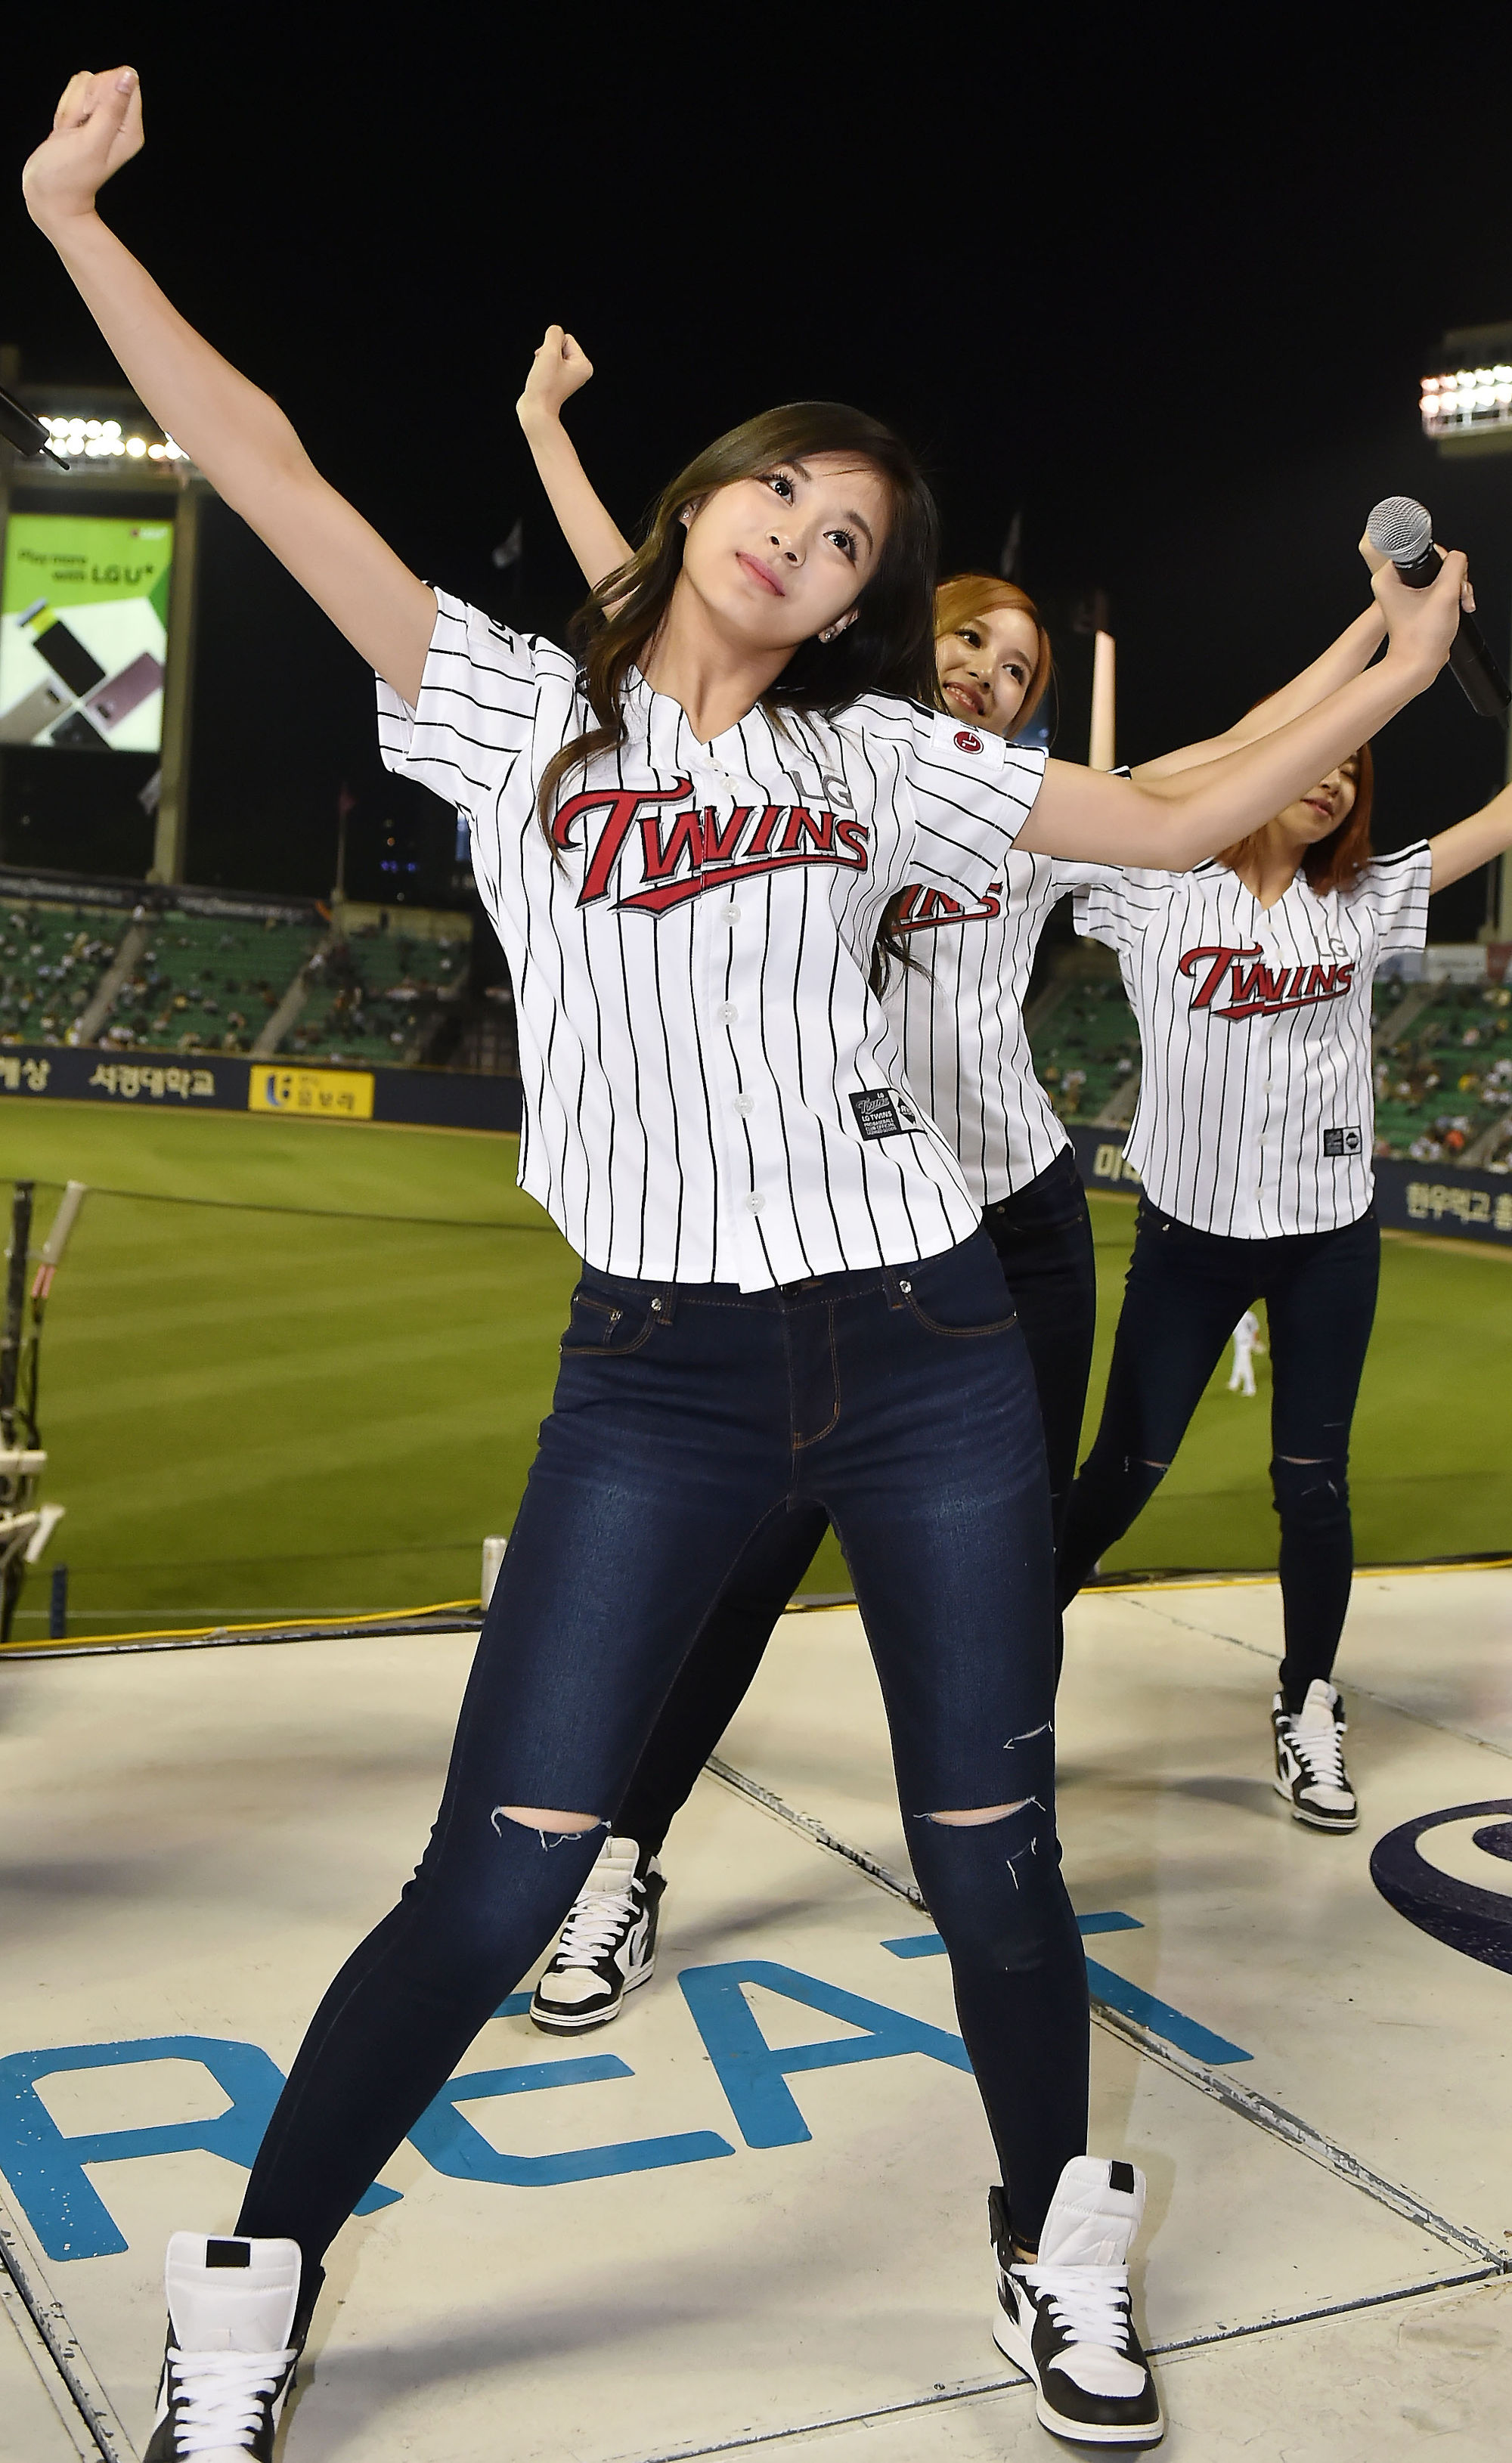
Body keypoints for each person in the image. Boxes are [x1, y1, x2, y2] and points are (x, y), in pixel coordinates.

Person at [23, 69, 1465, 2461]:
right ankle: (254, 2282)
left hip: (925, 1354)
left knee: (994, 1857)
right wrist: (77, 222)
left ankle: (1051, 2241)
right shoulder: (510, 709)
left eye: (853, 532)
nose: (811, 533)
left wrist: (1391, 667)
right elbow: (265, 465)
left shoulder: (877, 759)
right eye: (785, 492)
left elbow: (1166, 812)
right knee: (496, 1881)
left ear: (857, 593)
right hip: (658, 1376)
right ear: (700, 507)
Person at [510, 330, 1402, 2050]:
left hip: (1013, 1223)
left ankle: (996, 1853)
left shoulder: (1006, 811)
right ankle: (622, 1854)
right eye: (969, 638)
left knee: (1006, 1569)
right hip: (824, 1235)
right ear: (891, 622)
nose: (989, 671)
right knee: (745, 1567)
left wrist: (1376, 638)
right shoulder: (794, 760)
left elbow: (1225, 757)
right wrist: (546, 427)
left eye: (1018, 664)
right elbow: (643, 588)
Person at [1056, 724, 1512, 1833]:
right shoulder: (1153, 882)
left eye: (1352, 771)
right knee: (1121, 1473)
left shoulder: (1363, 898)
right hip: (1188, 1236)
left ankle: (1308, 1698)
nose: (1334, 782)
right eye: (1318, 759)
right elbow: (1093, 804)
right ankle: (997, 1678)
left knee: (1314, 1486)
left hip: (1327, 1239)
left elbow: (1495, 822)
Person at [1227, 1309, 1264, 1396]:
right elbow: (1255, 1331)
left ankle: (1250, 1389)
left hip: (1243, 1343)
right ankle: (1234, 1383)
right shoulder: (1250, 1315)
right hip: (1246, 1342)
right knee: (1238, 1362)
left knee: (1246, 1366)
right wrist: (1256, 1342)